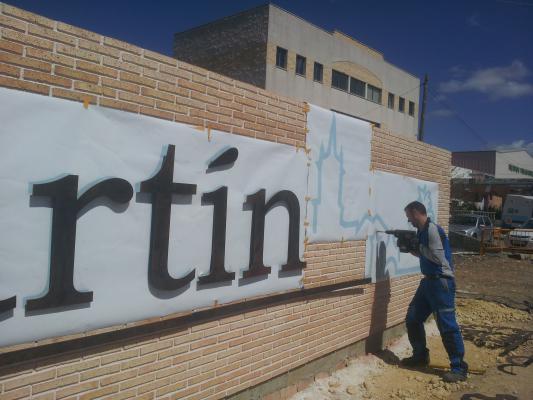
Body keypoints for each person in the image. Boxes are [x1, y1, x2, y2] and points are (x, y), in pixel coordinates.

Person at [400, 201, 468, 382]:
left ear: (416, 213)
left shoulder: (431, 230)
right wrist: (410, 248)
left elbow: (438, 258)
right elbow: (426, 254)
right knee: (413, 318)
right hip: (428, 282)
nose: (409, 221)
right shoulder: (421, 231)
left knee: (447, 325)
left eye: (409, 217)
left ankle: (459, 368)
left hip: (441, 282)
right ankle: (420, 355)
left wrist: (418, 247)